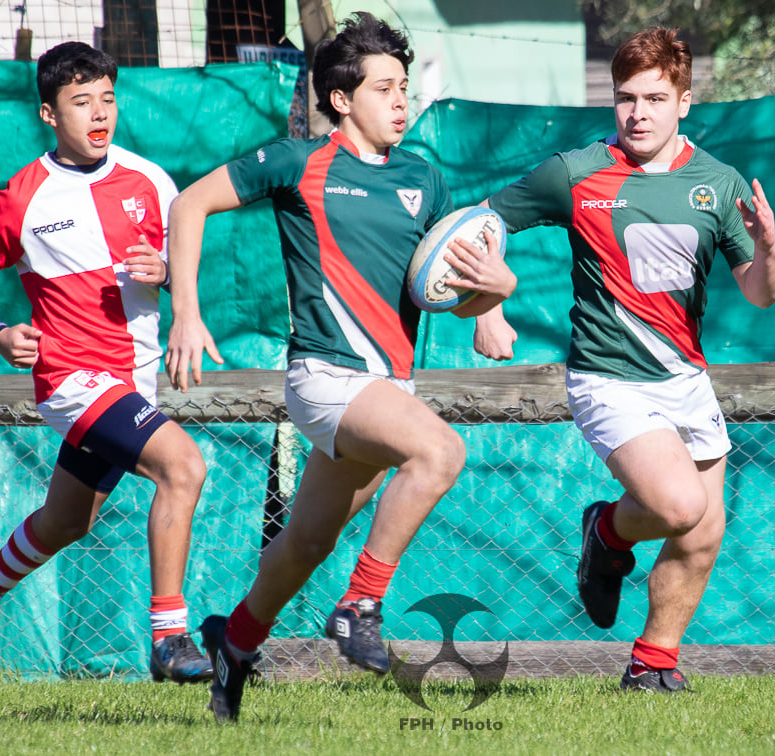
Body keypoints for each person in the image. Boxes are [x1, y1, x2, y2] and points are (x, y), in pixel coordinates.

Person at [164, 12, 514, 722]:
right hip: (327, 381)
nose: (400, 100)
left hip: (387, 389)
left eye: (404, 87)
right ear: (339, 100)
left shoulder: (425, 179)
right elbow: (190, 203)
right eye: (384, 88)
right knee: (441, 451)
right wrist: (186, 311)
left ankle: (233, 646)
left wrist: (494, 302)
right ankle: (361, 605)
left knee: (304, 545)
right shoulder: (299, 162)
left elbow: (455, 280)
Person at [475, 27, 775, 693]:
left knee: (704, 532)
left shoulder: (718, 182)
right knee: (676, 507)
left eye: (653, 98)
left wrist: (768, 251)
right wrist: (489, 307)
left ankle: (652, 666)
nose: (638, 112)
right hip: (606, 378)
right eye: (624, 98)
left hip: (685, 378)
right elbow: (483, 222)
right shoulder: (575, 172)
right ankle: (607, 532)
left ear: (685, 102)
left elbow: (759, 293)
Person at [0, 41, 212, 686]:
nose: (99, 113)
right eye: (81, 101)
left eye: (108, 99)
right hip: (71, 377)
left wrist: (169, 274)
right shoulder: (23, 196)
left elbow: (181, 271)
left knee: (69, 520)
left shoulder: (150, 180)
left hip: (133, 376)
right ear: (48, 113)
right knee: (184, 466)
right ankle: (170, 637)